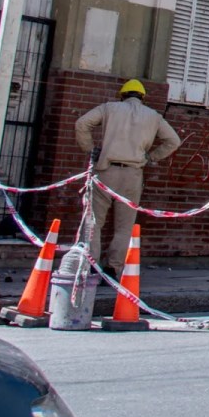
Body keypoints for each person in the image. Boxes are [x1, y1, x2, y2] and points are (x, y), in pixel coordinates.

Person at [74, 78, 181, 272]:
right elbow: (174, 141)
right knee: (124, 226)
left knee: (94, 222)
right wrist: (151, 157)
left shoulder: (109, 108)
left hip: (105, 170)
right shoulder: (153, 116)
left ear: (122, 96)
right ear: (143, 98)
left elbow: (82, 124)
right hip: (133, 174)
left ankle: (91, 266)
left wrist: (90, 149)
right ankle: (114, 268)